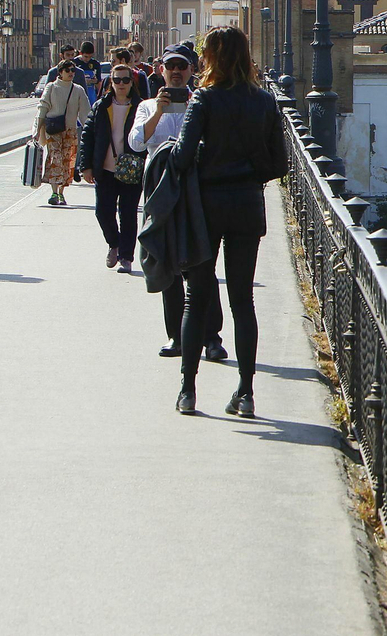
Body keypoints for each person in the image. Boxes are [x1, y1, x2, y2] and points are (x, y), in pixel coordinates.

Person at [171, 26, 284, 416]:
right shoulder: (265, 101)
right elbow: (279, 164)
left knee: (196, 298)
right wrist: (248, 172)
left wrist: (204, 157)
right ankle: (246, 393)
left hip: (206, 207)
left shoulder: (204, 98)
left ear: (213, 58)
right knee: (242, 301)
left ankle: (188, 391)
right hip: (247, 205)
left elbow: (181, 157)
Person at [132, 44, 224, 358]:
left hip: (196, 190)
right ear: (161, 70)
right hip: (159, 190)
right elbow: (136, 142)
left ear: (191, 71)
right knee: (165, 259)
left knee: (202, 262)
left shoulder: (201, 102)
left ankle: (212, 337)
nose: (175, 72)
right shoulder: (146, 105)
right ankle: (177, 336)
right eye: (170, 66)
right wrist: (158, 110)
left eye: (181, 67)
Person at [77, 65, 145, 271]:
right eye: (117, 80)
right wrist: (85, 166)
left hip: (131, 169)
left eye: (125, 80)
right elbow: (87, 137)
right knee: (103, 212)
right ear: (111, 82)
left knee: (128, 213)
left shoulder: (141, 107)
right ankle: (114, 243)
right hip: (105, 169)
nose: (121, 84)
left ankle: (126, 257)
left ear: (132, 83)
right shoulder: (101, 106)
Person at [36, 60, 91, 206]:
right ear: (60, 72)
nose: (71, 73)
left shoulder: (78, 90)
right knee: (56, 159)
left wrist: (90, 131)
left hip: (70, 131)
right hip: (53, 130)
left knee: (67, 162)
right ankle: (54, 192)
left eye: (72, 70)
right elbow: (43, 108)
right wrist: (37, 130)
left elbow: (85, 113)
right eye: (67, 71)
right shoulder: (52, 87)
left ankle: (61, 193)